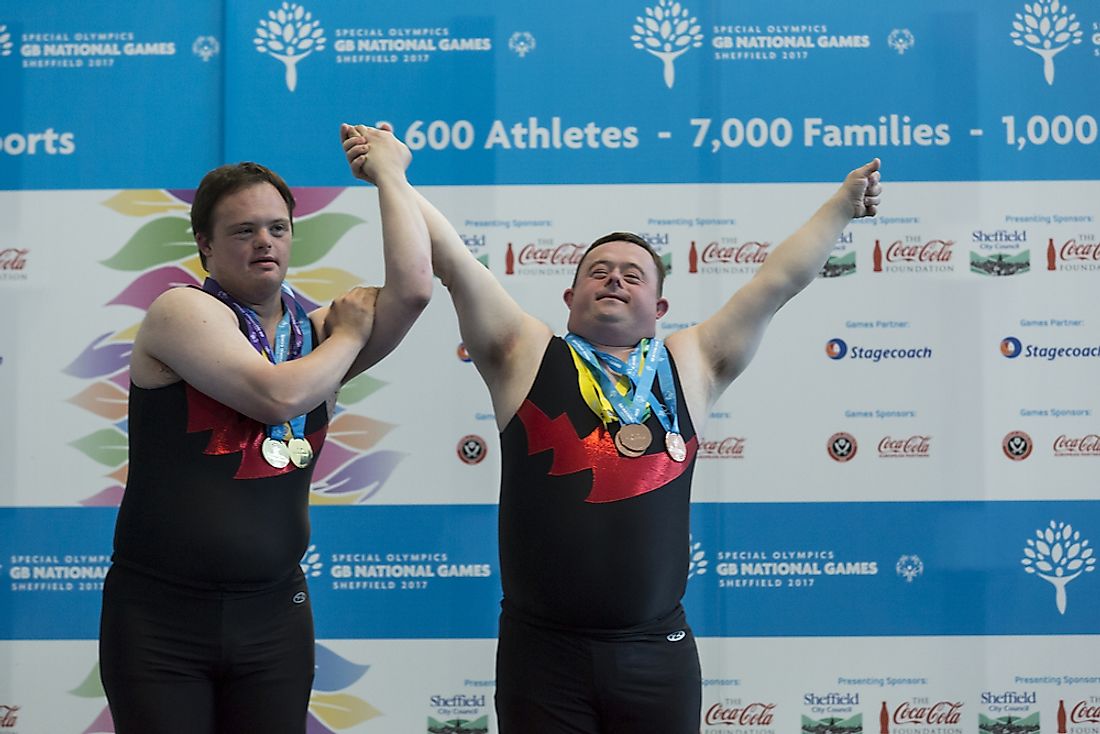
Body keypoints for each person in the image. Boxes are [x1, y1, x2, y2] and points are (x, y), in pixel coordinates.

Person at [351, 122, 880, 733]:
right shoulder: (524, 353)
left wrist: (840, 209)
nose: (615, 280)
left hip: (656, 655)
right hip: (541, 656)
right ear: (571, 296)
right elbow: (455, 263)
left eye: (634, 275)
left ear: (658, 311)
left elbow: (776, 282)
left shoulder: (693, 364)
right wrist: (392, 173)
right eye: (599, 271)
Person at [98, 125, 431, 734]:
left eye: (278, 228)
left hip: (274, 617)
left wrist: (389, 174)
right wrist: (352, 337)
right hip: (159, 620)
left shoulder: (315, 335)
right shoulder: (182, 310)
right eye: (243, 230)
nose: (264, 242)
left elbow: (412, 291)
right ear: (205, 244)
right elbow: (276, 395)